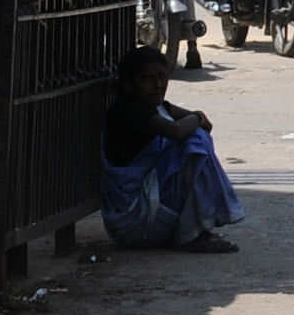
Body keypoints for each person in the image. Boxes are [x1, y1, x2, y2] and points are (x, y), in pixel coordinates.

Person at [100, 43, 242, 251]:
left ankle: (195, 228)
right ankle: (190, 235)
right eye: (149, 79)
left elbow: (196, 123)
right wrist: (198, 116)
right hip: (135, 222)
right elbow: (177, 130)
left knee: (196, 136)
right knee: (194, 144)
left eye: (162, 77)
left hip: (144, 215)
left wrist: (197, 117)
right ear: (129, 84)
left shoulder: (153, 106)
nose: (159, 85)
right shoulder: (129, 113)